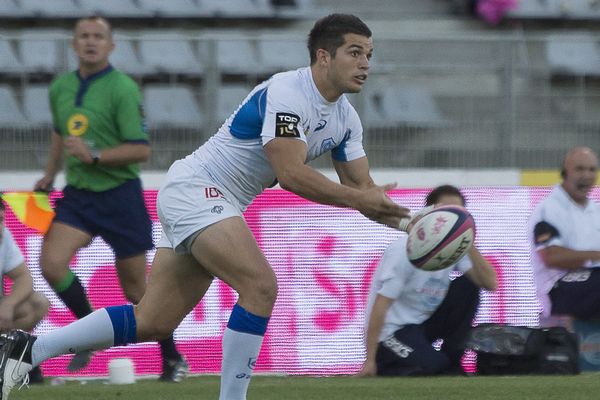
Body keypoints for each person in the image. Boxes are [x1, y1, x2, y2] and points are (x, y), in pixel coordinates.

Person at [0, 13, 409, 400]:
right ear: (324, 56)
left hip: (212, 199)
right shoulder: (288, 92)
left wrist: (415, 224)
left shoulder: (346, 120)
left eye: (369, 55)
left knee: (153, 320)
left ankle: (27, 350)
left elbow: (364, 191)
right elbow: (291, 174)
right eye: (355, 52)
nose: (365, 64)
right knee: (260, 286)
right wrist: (362, 198)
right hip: (198, 189)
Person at [32, 16, 187, 381]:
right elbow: (59, 133)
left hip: (120, 197)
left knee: (137, 290)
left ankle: (172, 357)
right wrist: (51, 173)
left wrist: (95, 156)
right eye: (83, 36)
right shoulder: (61, 88)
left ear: (111, 45)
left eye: (98, 36)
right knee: (51, 264)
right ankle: (89, 331)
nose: (90, 42)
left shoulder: (123, 89)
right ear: (73, 44)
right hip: (79, 196)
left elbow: (141, 150)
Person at [358, 185, 497, 377]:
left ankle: (452, 361)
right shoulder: (405, 250)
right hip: (392, 332)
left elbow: (490, 283)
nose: (453, 220)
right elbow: (380, 306)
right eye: (446, 213)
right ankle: (389, 365)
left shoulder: (452, 249)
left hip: (421, 326)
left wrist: (466, 239)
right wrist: (370, 360)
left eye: (458, 214)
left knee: (469, 285)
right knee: (434, 367)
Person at [530, 146, 600, 325]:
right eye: (580, 169)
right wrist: (595, 256)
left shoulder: (595, 211)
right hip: (559, 287)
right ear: (564, 172)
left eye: (592, 169)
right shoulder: (548, 210)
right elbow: (552, 257)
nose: (587, 175)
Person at [0, 198, 50, 384]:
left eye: (2, 219)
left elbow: (24, 277)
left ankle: (14, 357)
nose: (0, 227)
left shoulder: (4, 238)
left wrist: (9, 303)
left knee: (38, 303)